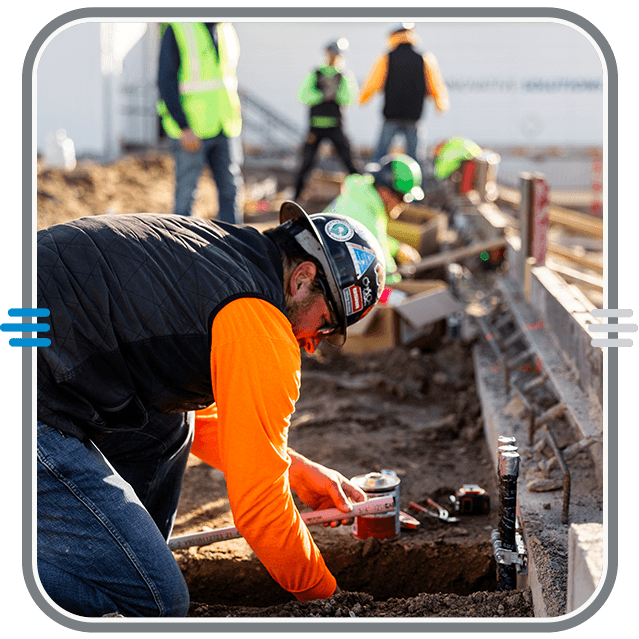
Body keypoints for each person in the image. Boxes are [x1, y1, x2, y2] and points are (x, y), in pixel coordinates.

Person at [36, 202, 386, 617]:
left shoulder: (228, 255)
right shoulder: (260, 323)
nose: (314, 343)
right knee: (154, 601)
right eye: (325, 323)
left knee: (171, 424)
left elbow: (209, 425)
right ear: (302, 279)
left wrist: (292, 469)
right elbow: (260, 507)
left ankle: (114, 553)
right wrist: (329, 602)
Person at [157, 22, 244, 224]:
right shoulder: (180, 29)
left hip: (226, 125)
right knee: (186, 195)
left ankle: (234, 248)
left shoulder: (226, 29)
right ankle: (178, 249)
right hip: (192, 129)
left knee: (230, 189)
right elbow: (165, 81)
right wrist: (183, 126)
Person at [324, 153, 423, 284]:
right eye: (403, 199)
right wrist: (403, 289)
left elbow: (376, 239)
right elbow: (385, 274)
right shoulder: (368, 216)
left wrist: (397, 248)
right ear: (386, 192)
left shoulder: (362, 195)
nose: (404, 206)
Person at [358, 23, 449, 166]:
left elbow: (372, 82)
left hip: (391, 115)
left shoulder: (387, 58)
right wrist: (440, 104)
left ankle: (374, 185)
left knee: (380, 155)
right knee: (415, 159)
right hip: (414, 116)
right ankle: (418, 187)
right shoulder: (424, 58)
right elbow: (435, 85)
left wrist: (362, 99)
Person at [293, 39, 360, 201]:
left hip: (335, 126)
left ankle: (362, 191)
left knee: (349, 161)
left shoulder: (344, 77)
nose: (333, 58)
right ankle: (296, 197)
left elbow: (349, 99)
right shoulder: (314, 74)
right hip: (315, 127)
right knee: (306, 163)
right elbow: (303, 96)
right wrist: (323, 95)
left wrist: (334, 94)